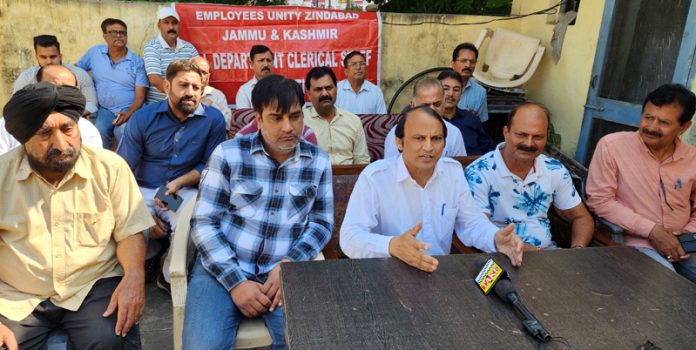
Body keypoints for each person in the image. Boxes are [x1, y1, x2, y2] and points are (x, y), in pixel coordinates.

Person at [183, 74, 333, 349]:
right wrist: (236, 283)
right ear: (259, 119)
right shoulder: (228, 154)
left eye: (295, 116)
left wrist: (290, 265)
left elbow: (321, 223)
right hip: (221, 268)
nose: (289, 127)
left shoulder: (319, 161)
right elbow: (204, 222)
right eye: (277, 117)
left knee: (307, 342)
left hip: (282, 272)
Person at [0, 82, 153, 350]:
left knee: (111, 340)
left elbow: (130, 231)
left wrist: (133, 277)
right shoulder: (2, 175)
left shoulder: (110, 168)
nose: (61, 144)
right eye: (45, 133)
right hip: (17, 294)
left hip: (91, 286)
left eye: (68, 129)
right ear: (24, 139)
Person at [340, 105, 522, 272]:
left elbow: (471, 222)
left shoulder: (453, 172)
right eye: (419, 138)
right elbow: (349, 238)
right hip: (387, 271)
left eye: (436, 139)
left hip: (438, 272)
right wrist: (391, 246)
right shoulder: (375, 178)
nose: (428, 147)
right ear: (399, 142)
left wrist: (495, 237)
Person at [117, 59, 226, 288]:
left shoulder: (213, 120)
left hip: (181, 189)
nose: (190, 93)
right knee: (122, 217)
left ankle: (170, 276)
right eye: (183, 85)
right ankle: (145, 260)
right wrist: (141, 214)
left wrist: (180, 182)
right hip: (143, 189)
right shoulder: (143, 118)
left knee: (196, 215)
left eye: (196, 88)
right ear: (167, 87)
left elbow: (210, 165)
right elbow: (122, 169)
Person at [586, 84, 696, 283]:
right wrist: (652, 231)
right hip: (638, 243)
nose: (651, 127)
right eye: (648, 117)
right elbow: (600, 201)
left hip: (685, 244)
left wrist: (688, 235)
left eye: (663, 122)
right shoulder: (612, 146)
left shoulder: (692, 158)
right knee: (666, 288)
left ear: (684, 127)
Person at [466, 102, 594, 250]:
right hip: (497, 258)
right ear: (506, 132)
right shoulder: (479, 172)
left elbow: (582, 217)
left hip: (550, 258)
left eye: (538, 137)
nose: (528, 143)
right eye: (521, 135)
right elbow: (478, 230)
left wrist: (577, 249)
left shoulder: (554, 169)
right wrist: (535, 254)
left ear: (547, 137)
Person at [76, 18, 148, 149]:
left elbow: (140, 97)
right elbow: (76, 72)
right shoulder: (94, 53)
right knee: (98, 132)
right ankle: (105, 166)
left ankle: (126, 166)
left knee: (122, 131)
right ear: (105, 35)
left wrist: (129, 113)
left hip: (128, 108)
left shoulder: (137, 62)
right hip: (105, 109)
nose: (119, 35)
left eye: (123, 32)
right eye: (114, 32)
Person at [0, 64, 102, 154]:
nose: (63, 95)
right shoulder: (8, 125)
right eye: (55, 88)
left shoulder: (87, 129)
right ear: (38, 86)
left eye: (69, 90)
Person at [13, 34, 98, 116]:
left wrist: (65, 116)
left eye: (53, 57)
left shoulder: (80, 74)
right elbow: (16, 104)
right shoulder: (26, 78)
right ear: (37, 57)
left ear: (60, 56)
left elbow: (91, 104)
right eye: (43, 57)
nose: (48, 61)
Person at [383, 77, 467, 158]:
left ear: (444, 103)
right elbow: (390, 167)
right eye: (425, 105)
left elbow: (458, 168)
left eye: (437, 104)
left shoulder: (454, 133)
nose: (432, 110)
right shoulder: (398, 133)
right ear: (412, 105)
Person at [302, 66, 370, 165]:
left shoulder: (353, 121)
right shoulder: (300, 121)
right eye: (318, 89)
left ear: (336, 89)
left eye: (329, 88)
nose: (324, 93)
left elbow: (362, 161)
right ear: (308, 94)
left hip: (349, 178)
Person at [143, 7, 199, 103]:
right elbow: (155, 79)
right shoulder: (152, 47)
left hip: (187, 100)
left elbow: (199, 74)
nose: (171, 27)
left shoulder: (189, 48)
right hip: (160, 103)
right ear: (159, 25)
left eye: (174, 23)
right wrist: (177, 96)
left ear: (179, 25)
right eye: (166, 22)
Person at [438, 69, 494, 155]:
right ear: (437, 91)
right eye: (446, 89)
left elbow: (488, 150)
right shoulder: (431, 120)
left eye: (456, 89)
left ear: (461, 93)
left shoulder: (472, 119)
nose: (451, 94)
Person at [335, 50, 387, 114]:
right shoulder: (337, 90)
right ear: (346, 71)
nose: (358, 67)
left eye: (362, 64)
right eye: (354, 64)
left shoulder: (376, 92)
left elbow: (381, 120)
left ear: (366, 68)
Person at [451, 43, 489, 123]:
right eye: (463, 61)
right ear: (453, 64)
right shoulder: (440, 88)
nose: (468, 65)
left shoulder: (480, 92)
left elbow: (481, 124)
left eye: (472, 62)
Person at [192, 56, 232, 129]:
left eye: (204, 73)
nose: (201, 76)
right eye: (197, 72)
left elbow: (227, 125)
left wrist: (211, 107)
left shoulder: (217, 95)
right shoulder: (180, 93)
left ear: (208, 76)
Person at [235, 45, 274, 109]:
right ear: (252, 65)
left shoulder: (282, 86)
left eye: (269, 60)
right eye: (261, 60)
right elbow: (245, 118)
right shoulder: (244, 91)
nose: (266, 64)